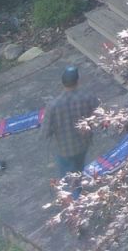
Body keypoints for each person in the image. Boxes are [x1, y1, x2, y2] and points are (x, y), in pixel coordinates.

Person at [43, 65, 98, 197]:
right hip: (83, 144)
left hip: (64, 148)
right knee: (78, 169)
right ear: (78, 81)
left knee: (66, 175)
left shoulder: (53, 105)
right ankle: (77, 194)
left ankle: (74, 199)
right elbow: (98, 115)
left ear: (62, 82)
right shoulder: (88, 98)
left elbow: (45, 132)